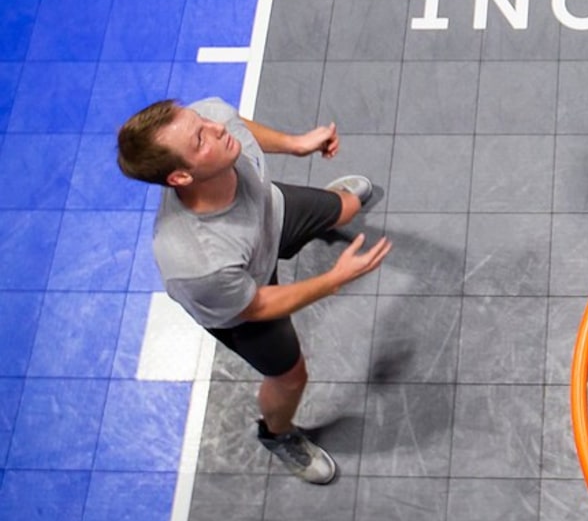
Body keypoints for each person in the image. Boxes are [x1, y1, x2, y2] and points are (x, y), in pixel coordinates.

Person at [117, 97, 392, 484]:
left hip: (269, 211)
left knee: (346, 208)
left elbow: (234, 122)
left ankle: (327, 216)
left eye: (202, 122)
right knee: (291, 377)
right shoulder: (198, 262)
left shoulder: (212, 122)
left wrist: (296, 144)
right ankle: (277, 435)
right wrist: (333, 281)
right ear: (180, 177)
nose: (216, 129)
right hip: (243, 297)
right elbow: (256, 305)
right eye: (200, 140)